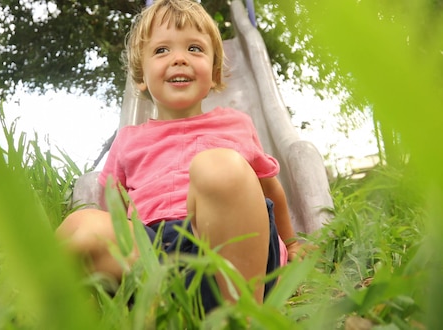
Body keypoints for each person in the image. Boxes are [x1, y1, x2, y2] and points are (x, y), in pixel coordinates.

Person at [56, 0, 301, 310]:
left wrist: (291, 243)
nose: (179, 59)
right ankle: (33, 304)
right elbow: (113, 208)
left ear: (213, 74)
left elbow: (270, 189)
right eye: (161, 51)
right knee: (81, 224)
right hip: (152, 257)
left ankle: (238, 318)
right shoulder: (129, 139)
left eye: (195, 49)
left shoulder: (235, 123)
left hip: (232, 256)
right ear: (141, 77)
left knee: (219, 168)